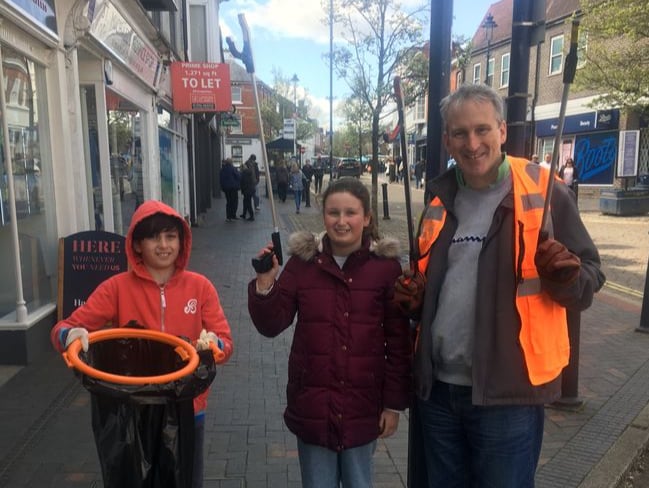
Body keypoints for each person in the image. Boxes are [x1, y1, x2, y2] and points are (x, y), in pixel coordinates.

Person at [394, 83, 605, 488]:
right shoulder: (439, 200)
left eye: (482, 130)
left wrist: (566, 277)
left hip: (509, 396)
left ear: (502, 131)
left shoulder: (546, 193)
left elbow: (590, 277)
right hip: (438, 392)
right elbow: (432, 285)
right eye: (460, 133)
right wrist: (416, 299)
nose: (472, 143)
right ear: (446, 140)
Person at [50, 199, 234, 488]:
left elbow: (225, 342)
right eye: (153, 237)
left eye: (171, 236)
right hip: (131, 412)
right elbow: (64, 329)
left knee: (186, 481)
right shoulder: (117, 287)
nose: (163, 245)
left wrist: (213, 344)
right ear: (136, 244)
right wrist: (69, 336)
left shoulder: (200, 287)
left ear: (181, 241)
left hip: (186, 408)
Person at [248, 177, 412, 488]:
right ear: (323, 215)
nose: (341, 221)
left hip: (363, 404)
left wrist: (393, 405)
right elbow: (272, 324)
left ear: (366, 218)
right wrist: (265, 284)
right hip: (313, 403)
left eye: (350, 213)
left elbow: (399, 342)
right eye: (333, 212)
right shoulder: (302, 264)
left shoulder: (385, 269)